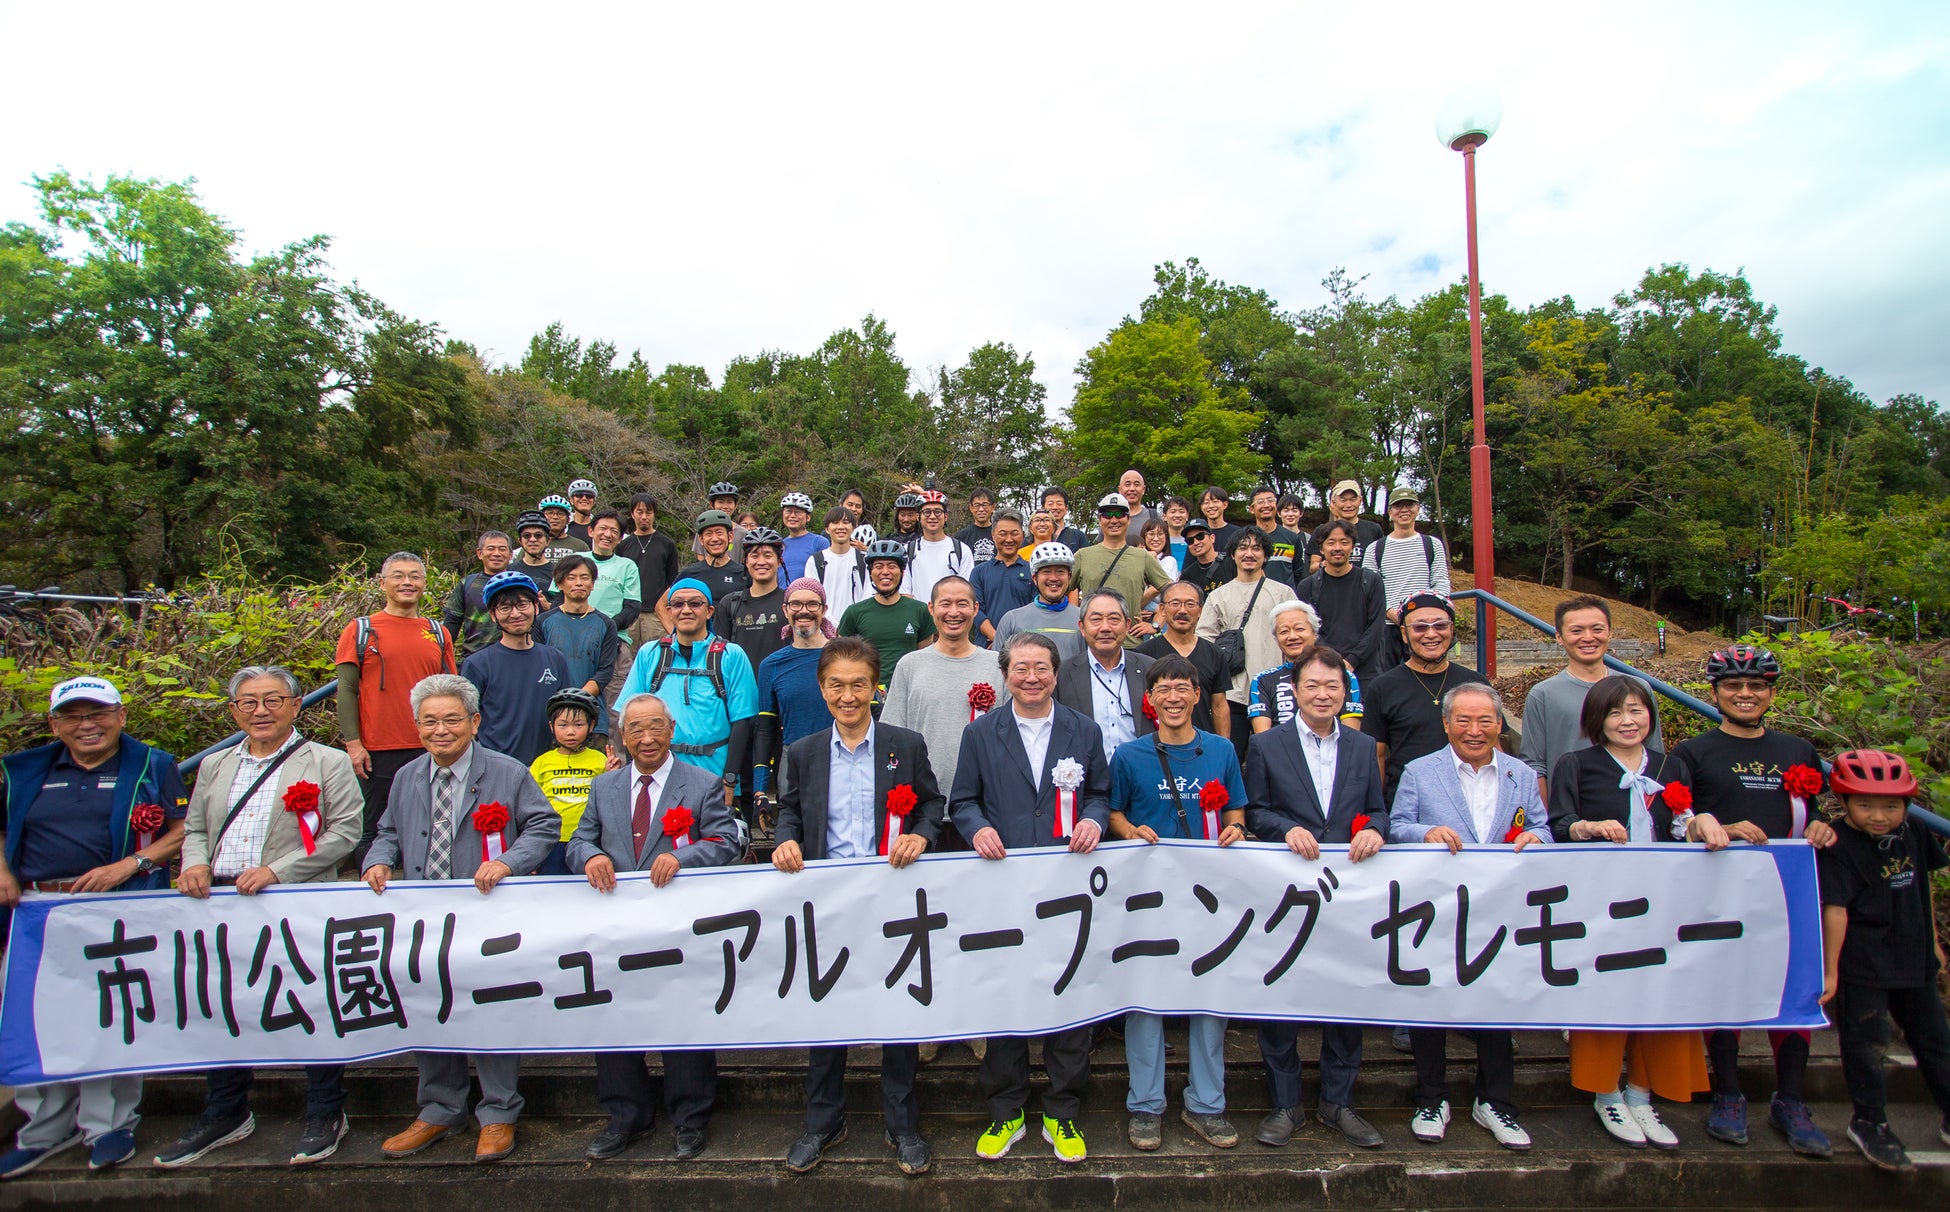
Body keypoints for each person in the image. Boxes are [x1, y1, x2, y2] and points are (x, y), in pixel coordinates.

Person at [156, 666, 364, 1169]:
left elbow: (345, 832)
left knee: (313, 1003)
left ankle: (326, 1110)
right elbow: (200, 830)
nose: (261, 711)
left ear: (296, 705)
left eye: (273, 700)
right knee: (224, 1004)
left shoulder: (327, 762)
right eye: (248, 702)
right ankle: (226, 1109)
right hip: (222, 904)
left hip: (297, 901)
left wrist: (278, 870)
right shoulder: (215, 765)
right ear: (233, 711)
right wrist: (194, 864)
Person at [365, 673, 560, 1164]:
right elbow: (387, 830)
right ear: (417, 726)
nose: (441, 730)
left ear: (474, 722)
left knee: (489, 1006)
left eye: (452, 719)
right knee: (431, 1004)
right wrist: (377, 858)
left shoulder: (507, 772)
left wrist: (508, 861)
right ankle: (438, 1107)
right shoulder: (408, 776)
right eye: (429, 721)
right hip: (422, 918)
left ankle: (497, 1112)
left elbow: (544, 825)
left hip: (487, 916)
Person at [771, 637, 945, 1176]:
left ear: (876, 688)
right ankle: (824, 1121)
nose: (848, 696)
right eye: (837, 685)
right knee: (828, 1014)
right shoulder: (802, 751)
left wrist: (921, 836)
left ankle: (901, 1122)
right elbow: (789, 812)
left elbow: (932, 805)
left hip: (892, 901)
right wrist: (785, 840)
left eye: (859, 685)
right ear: (822, 689)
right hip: (828, 904)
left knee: (897, 1014)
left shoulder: (905, 744)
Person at [0, 676, 186, 1178]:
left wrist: (130, 865)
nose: (88, 725)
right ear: (54, 723)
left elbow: (182, 829)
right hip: (37, 912)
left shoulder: (152, 764)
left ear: (121, 716)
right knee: (37, 1020)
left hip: (117, 908)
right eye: (74, 716)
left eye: (98, 713)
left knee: (112, 1015)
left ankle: (108, 1124)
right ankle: (43, 1128)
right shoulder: (22, 770)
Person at [1669, 644, 1837, 1156]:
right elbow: (1675, 822)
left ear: (1771, 692)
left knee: (1793, 990)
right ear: (1715, 692)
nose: (1746, 694)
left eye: (1757, 685)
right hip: (1721, 894)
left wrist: (1828, 827)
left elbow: (1816, 811)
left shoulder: (1799, 752)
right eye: (1734, 686)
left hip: (1790, 890)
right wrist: (1704, 825)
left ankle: (1791, 1099)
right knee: (1728, 990)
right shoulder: (1692, 753)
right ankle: (1728, 1092)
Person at [951, 633, 1111, 1164]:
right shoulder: (981, 732)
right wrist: (975, 830)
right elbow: (963, 800)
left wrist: (1091, 818)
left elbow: (1101, 793)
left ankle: (1062, 1112)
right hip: (1002, 885)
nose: (1031, 677)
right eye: (1020, 668)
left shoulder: (1082, 731)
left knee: (1068, 993)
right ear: (1006, 674)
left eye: (1041, 667)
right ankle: (1008, 1110)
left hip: (1067, 885)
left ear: (1055, 673)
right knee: (1005, 997)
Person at [566, 694, 741, 1162]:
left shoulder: (701, 783)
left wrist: (681, 857)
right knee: (615, 1019)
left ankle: (691, 1116)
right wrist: (592, 855)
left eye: (656, 727)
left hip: (678, 927)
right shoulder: (604, 787)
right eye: (636, 729)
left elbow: (727, 842)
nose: (646, 738)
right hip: (616, 926)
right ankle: (626, 1115)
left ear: (671, 729)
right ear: (623, 736)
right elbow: (579, 839)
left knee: (682, 1018)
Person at [1546, 675, 1717, 1150]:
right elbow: (1557, 823)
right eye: (1616, 712)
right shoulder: (1576, 765)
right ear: (1597, 720)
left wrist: (1700, 822)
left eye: (1637, 710)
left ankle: (1643, 1092)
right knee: (1606, 995)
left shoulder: (1671, 765)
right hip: (1600, 905)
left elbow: (1683, 825)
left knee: (1662, 995)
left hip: (1665, 905)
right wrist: (1587, 826)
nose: (1628, 720)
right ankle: (1607, 1093)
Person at [1388, 682, 1549, 1151]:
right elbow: (1397, 828)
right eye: (1464, 720)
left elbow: (1540, 825)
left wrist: (1538, 839)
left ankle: (1496, 1100)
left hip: (1499, 911)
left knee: (1496, 1005)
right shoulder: (1420, 771)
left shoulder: (1519, 774)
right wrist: (1427, 832)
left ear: (1500, 724)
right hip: (1435, 908)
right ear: (1446, 724)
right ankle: (1431, 1097)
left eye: (1485, 721)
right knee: (1429, 1002)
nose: (1474, 730)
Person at [1243, 646, 1387, 1149]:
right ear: (1295, 692)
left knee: (1346, 999)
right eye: (1312, 686)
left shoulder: (1364, 746)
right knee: (1279, 998)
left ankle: (1338, 1101)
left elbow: (1377, 811)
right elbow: (1255, 812)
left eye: (1333, 686)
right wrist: (1285, 830)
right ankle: (1285, 1104)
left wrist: (1375, 832)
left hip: (1350, 893)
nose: (1323, 694)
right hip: (1289, 891)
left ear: (1345, 692)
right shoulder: (1266, 746)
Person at [1106, 656, 1247, 1152]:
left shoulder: (1222, 750)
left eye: (1182, 688)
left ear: (1194, 696)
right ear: (1151, 698)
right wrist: (1129, 831)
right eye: (1162, 688)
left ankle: (1206, 1104)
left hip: (1208, 897)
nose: (1172, 696)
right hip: (1147, 896)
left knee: (1209, 1000)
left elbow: (1235, 807)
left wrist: (1237, 827)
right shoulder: (1128, 755)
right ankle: (1145, 1106)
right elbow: (1115, 812)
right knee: (1145, 999)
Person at [1817, 749, 1950, 1171]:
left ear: (1908, 805)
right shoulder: (1837, 844)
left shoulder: (1915, 832)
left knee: (1936, 1041)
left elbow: (1922, 886)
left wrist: (1933, 944)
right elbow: (1834, 909)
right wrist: (1831, 970)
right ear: (1844, 802)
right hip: (1863, 961)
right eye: (1866, 805)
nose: (1879, 816)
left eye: (1891, 806)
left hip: (1912, 955)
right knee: (1866, 1045)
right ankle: (1869, 1120)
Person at [335, 552, 458, 870]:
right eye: (399, 575)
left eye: (415, 576)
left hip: (431, 744)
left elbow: (450, 687)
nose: (407, 582)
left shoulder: (437, 631)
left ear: (424, 584)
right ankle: (372, 892)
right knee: (373, 829)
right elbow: (347, 689)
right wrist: (353, 742)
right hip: (379, 748)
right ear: (382, 583)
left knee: (432, 825)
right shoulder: (361, 630)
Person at [881, 577, 1010, 845]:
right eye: (945, 604)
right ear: (931, 609)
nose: (953, 612)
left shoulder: (998, 666)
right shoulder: (910, 665)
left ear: (976, 609)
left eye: (962, 604)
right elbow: (891, 737)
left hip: (985, 811)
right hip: (922, 813)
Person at [613, 579, 760, 809]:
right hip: (660, 774)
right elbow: (631, 719)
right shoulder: (649, 654)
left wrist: (730, 780)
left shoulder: (731, 656)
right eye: (678, 604)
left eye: (695, 603)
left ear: (710, 611)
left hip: (715, 775)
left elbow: (743, 722)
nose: (686, 610)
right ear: (669, 611)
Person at [1521, 596, 1661, 798]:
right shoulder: (1543, 694)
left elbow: (1654, 752)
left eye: (1597, 629)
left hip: (1635, 805)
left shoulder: (1638, 688)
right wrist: (1546, 821)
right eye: (1576, 631)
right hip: (1572, 810)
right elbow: (1534, 765)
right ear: (1559, 637)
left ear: (1610, 633)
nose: (1588, 638)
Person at [1362, 592, 1490, 802]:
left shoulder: (1475, 684)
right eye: (1420, 627)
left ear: (1451, 629)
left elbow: (1494, 746)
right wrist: (1376, 813)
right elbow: (1377, 756)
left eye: (1440, 625)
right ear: (1404, 633)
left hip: (1472, 799)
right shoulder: (1383, 687)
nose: (1431, 634)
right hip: (1407, 804)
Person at [1195, 530, 1295, 759]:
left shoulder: (1283, 593)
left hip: (1274, 690)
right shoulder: (1219, 595)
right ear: (1232, 554)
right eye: (1242, 548)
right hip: (1232, 693)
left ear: (1266, 555)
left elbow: (1297, 638)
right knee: (1232, 755)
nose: (1249, 554)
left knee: (1277, 757)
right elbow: (1204, 640)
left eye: (1256, 548)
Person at [461, 571, 572, 766]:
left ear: (536, 608)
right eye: (505, 608)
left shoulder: (554, 658)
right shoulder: (477, 664)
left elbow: (567, 713)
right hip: (495, 768)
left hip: (547, 769)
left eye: (522, 605)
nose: (515, 614)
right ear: (493, 616)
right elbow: (466, 723)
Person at [752, 578, 837, 818]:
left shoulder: (844, 655)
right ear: (785, 609)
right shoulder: (772, 665)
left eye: (812, 604)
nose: (804, 611)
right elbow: (765, 729)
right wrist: (760, 789)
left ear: (824, 610)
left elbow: (871, 714)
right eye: (796, 604)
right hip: (794, 762)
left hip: (844, 756)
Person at [1054, 590, 1155, 764]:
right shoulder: (1062, 674)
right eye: (1096, 620)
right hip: (1085, 779)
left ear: (1128, 625)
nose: (1105, 627)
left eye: (1114, 619)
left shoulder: (1150, 669)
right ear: (1082, 627)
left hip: (1141, 776)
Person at [1293, 518, 1387, 683]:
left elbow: (1376, 627)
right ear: (1321, 548)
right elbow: (1309, 629)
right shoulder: (1307, 586)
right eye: (1331, 543)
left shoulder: (1371, 581)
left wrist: (1352, 660)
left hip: (1366, 671)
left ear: (1352, 546)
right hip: (1323, 669)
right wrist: (1334, 660)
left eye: (1344, 542)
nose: (1337, 548)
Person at [1248, 600, 1363, 733]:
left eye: (1299, 629)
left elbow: (1351, 737)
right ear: (1276, 639)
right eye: (1284, 631)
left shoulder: (1344, 676)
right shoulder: (1262, 680)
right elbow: (1264, 740)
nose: (1292, 636)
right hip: (1282, 751)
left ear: (1315, 633)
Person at [528, 688, 609, 876]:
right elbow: (530, 804)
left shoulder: (600, 760)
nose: (570, 732)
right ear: (551, 727)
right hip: (552, 840)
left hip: (589, 841)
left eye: (578, 724)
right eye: (563, 725)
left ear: (592, 725)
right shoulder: (542, 762)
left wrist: (612, 773)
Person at [1072, 493, 1173, 643]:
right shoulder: (1082, 556)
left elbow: (1173, 591)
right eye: (1107, 515)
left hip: (1131, 644)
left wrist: (1156, 625)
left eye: (1119, 514)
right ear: (1100, 520)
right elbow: (1062, 591)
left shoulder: (1142, 557)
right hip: (1092, 643)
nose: (1114, 520)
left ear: (1129, 519)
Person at [1138, 581, 1231, 736]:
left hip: (1202, 746)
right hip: (1156, 747)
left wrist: (1224, 746)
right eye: (1175, 603)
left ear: (1200, 610)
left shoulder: (1214, 653)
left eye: (1190, 604)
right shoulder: (1144, 654)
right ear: (1162, 609)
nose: (1182, 610)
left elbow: (1219, 706)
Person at [836, 539, 935, 684]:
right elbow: (843, 660)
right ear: (870, 572)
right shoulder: (854, 613)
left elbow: (924, 660)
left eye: (892, 566)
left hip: (908, 691)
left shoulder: (920, 611)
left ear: (902, 572)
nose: (885, 572)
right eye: (878, 566)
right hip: (868, 696)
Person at [537, 555, 620, 709]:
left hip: (592, 710)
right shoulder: (542, 622)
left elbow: (605, 671)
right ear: (560, 584)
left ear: (592, 584)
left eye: (585, 578)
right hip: (552, 710)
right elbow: (538, 667)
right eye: (571, 578)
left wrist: (577, 699)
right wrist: (561, 702)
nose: (579, 583)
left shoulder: (607, 624)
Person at [1364, 488, 1453, 626]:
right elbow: (1369, 590)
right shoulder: (1374, 549)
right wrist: (1393, 614)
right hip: (1387, 627)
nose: (1404, 510)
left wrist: (1423, 615)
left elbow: (1440, 584)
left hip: (1425, 626)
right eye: (1398, 506)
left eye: (1409, 505)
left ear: (1418, 509)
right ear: (1390, 512)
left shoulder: (1432, 545)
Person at [993, 542, 1083, 661]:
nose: (1053, 578)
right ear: (1035, 578)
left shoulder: (1084, 619)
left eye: (1060, 571)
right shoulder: (1012, 620)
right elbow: (997, 668)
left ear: (1069, 577)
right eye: (1046, 571)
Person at [716, 526, 789, 670]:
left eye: (768, 556)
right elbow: (720, 655)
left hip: (780, 686)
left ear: (779, 561)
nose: (761, 562)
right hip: (740, 686)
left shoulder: (790, 602)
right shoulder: (730, 604)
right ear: (746, 562)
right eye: (755, 556)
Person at [662, 509, 749, 626]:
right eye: (708, 534)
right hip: (699, 641)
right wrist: (675, 636)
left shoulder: (743, 574)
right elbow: (661, 606)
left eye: (719, 532)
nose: (714, 539)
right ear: (701, 540)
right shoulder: (689, 574)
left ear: (730, 536)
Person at [618, 493, 680, 647]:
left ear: (654, 514)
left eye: (649, 512)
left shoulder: (667, 544)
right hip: (629, 613)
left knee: (656, 657)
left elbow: (673, 580)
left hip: (655, 614)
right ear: (632, 514)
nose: (644, 517)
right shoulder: (623, 545)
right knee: (627, 661)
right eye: (639, 512)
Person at [443, 530, 514, 656]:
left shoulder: (521, 583)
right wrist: (442, 655)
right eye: (491, 548)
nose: (496, 554)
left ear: (510, 554)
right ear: (480, 553)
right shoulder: (467, 584)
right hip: (474, 656)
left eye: (502, 549)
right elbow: (452, 622)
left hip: (513, 656)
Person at [969, 509, 1035, 643]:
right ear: (993, 535)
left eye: (1014, 533)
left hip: (1024, 646)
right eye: (1002, 534)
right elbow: (975, 609)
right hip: (986, 646)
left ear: (1022, 535)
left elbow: (1036, 609)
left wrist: (1014, 643)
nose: (1009, 539)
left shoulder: (1033, 571)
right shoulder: (979, 572)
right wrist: (997, 638)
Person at [902, 490, 977, 603]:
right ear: (918, 517)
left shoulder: (962, 550)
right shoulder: (907, 551)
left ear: (945, 516)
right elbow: (905, 592)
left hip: (951, 617)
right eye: (927, 512)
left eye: (937, 512)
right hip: (918, 618)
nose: (932, 516)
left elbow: (965, 592)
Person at [585, 510, 644, 643]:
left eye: (614, 531)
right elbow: (558, 598)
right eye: (603, 528)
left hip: (613, 638)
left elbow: (632, 607)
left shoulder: (627, 566)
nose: (607, 534)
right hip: (574, 633)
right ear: (591, 531)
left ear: (620, 538)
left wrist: (608, 626)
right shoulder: (575, 560)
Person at [1231, 486, 1302, 587]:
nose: (1266, 505)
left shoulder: (1292, 538)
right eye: (1260, 502)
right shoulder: (1243, 539)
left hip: (1284, 599)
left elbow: (1299, 574)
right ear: (1251, 509)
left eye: (1270, 500)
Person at [805, 511, 872, 617]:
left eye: (846, 522)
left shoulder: (866, 560)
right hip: (824, 630)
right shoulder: (814, 561)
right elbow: (813, 598)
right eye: (835, 522)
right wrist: (833, 626)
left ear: (853, 528)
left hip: (858, 628)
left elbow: (869, 597)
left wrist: (850, 624)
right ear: (827, 529)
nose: (841, 527)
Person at [1308, 480, 1383, 573]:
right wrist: (1326, 564)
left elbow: (1382, 563)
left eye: (1353, 499)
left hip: (1365, 585)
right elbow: (1312, 567)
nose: (1348, 505)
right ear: (1333, 502)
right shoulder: (1322, 530)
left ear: (1360, 500)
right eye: (1343, 500)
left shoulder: (1374, 530)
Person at [1176, 517, 1234, 597]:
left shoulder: (1232, 563)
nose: (1196, 543)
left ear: (1212, 538)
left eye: (1200, 536)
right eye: (1190, 540)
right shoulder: (1187, 576)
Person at [511, 510, 560, 599]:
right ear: (520, 541)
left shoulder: (558, 572)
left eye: (538, 535)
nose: (532, 539)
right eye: (527, 536)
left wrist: (550, 606)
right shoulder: (510, 571)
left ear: (548, 541)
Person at [778, 491, 829, 577]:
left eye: (798, 512)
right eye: (788, 511)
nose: (792, 515)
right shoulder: (779, 545)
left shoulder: (819, 542)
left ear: (808, 517)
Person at [538, 495, 589, 561]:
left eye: (560, 513)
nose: (555, 517)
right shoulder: (532, 543)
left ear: (568, 520)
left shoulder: (580, 546)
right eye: (550, 513)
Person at [956, 487, 998, 562]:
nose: (981, 509)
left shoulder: (1000, 534)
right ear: (971, 508)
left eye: (985, 505)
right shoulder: (962, 536)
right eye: (977, 505)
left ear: (993, 507)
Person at [1041, 486, 1089, 551]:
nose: (1055, 507)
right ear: (1043, 508)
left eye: (1059, 503)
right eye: (1050, 504)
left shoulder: (1078, 536)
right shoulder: (1033, 536)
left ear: (1066, 508)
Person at [1198, 486, 1240, 552]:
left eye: (1215, 501)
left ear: (1225, 504)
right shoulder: (1197, 534)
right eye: (1206, 503)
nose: (1211, 506)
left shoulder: (1238, 533)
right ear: (1201, 507)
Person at [1117, 468, 1158, 534]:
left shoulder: (1154, 516)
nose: (1132, 489)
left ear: (1143, 489)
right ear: (1119, 489)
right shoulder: (1110, 518)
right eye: (1127, 484)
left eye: (1137, 484)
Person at [889, 491, 925, 555]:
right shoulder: (889, 540)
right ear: (897, 516)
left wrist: (922, 492)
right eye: (902, 515)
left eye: (910, 515)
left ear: (917, 516)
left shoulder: (924, 538)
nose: (906, 519)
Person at [1160, 495, 1193, 565]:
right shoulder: (1159, 541)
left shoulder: (1194, 540)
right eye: (1173, 511)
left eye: (1181, 511)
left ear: (1187, 516)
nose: (1177, 515)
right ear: (1164, 516)